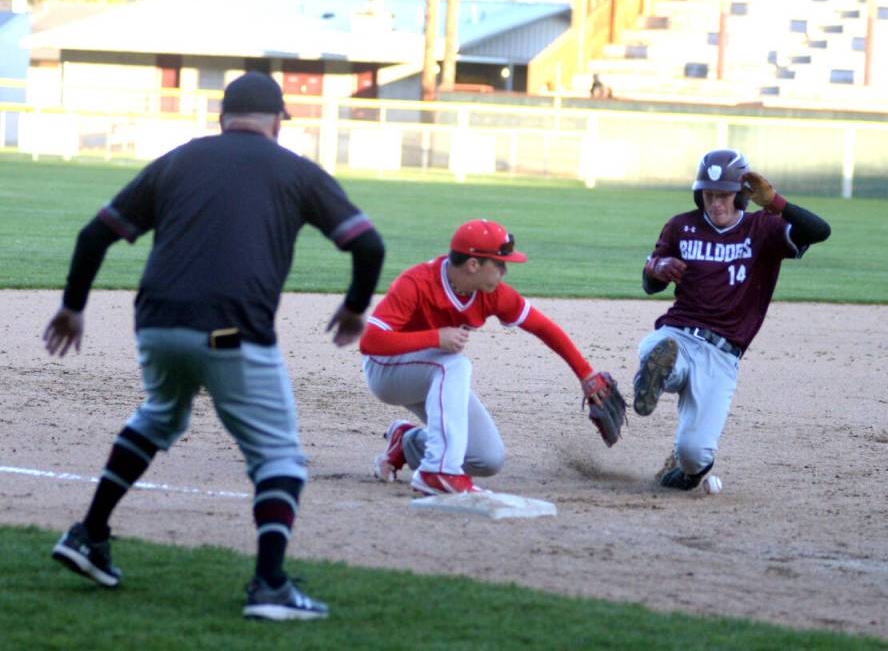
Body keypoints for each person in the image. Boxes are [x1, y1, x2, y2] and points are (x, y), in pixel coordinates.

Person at [43, 71, 385, 620]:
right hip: (232, 330)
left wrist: (72, 308)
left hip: (156, 325)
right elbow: (367, 244)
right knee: (280, 456)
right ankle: (270, 586)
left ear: (222, 117)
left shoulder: (178, 160)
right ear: (277, 122)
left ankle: (90, 534)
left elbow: (94, 235)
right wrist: (353, 308)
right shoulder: (296, 170)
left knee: (160, 415)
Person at [361, 218, 618, 495]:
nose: (505, 271)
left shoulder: (494, 294)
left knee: (486, 458)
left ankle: (407, 442)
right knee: (455, 364)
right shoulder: (416, 282)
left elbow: (543, 327)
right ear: (473, 265)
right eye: (500, 264)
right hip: (387, 371)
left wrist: (585, 374)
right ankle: (438, 471)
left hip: (433, 374)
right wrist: (435, 337)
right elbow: (370, 341)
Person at [632, 149, 830, 493]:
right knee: (659, 352)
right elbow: (651, 285)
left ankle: (688, 470)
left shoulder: (763, 228)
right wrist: (657, 268)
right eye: (708, 195)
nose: (715, 204)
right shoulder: (681, 226)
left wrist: (777, 203)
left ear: (740, 195)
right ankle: (653, 377)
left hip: (722, 355)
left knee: (695, 453)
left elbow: (820, 231)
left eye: (723, 195)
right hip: (677, 334)